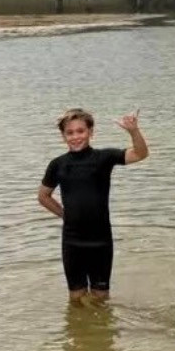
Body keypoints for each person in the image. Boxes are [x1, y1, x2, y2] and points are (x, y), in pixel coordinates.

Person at [38, 106, 149, 303]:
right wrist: (66, 215)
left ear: (90, 132)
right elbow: (43, 196)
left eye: (80, 131)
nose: (75, 137)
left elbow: (140, 154)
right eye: (69, 133)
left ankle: (97, 333)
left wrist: (133, 131)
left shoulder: (103, 158)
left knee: (101, 298)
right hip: (72, 241)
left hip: (101, 240)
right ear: (63, 136)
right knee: (76, 297)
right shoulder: (58, 164)